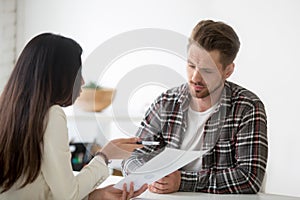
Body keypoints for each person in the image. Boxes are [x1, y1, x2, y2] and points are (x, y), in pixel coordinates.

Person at [122, 19, 268, 194]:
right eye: (191, 65)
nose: (195, 78)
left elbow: (248, 178)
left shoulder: (247, 107)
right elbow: (132, 157)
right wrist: (149, 175)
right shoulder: (166, 102)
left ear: (228, 71)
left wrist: (183, 181)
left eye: (207, 70)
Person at [0, 33, 147, 200]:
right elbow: (68, 195)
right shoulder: (52, 115)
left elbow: (39, 190)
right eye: (77, 74)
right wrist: (104, 155)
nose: (82, 81)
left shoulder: (7, 110)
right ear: (59, 76)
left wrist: (95, 196)